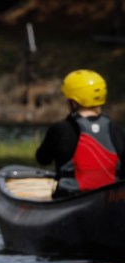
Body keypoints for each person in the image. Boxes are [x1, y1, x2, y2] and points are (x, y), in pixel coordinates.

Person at [36, 69, 125, 197]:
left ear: (74, 102)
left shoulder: (61, 129)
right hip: (109, 201)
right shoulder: (115, 130)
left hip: (70, 199)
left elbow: (43, 159)